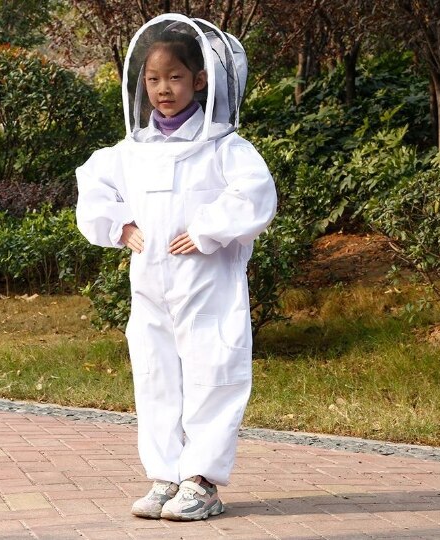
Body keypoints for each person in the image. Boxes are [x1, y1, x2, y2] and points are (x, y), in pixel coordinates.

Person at [76, 13, 277, 521]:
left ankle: (201, 480)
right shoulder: (132, 152)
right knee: (155, 376)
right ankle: (165, 475)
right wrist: (120, 226)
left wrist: (207, 228)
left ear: (200, 80)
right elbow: (92, 186)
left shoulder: (223, 147)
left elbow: (255, 196)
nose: (163, 89)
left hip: (208, 288)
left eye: (174, 77)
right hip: (150, 290)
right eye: (153, 79)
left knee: (213, 374)